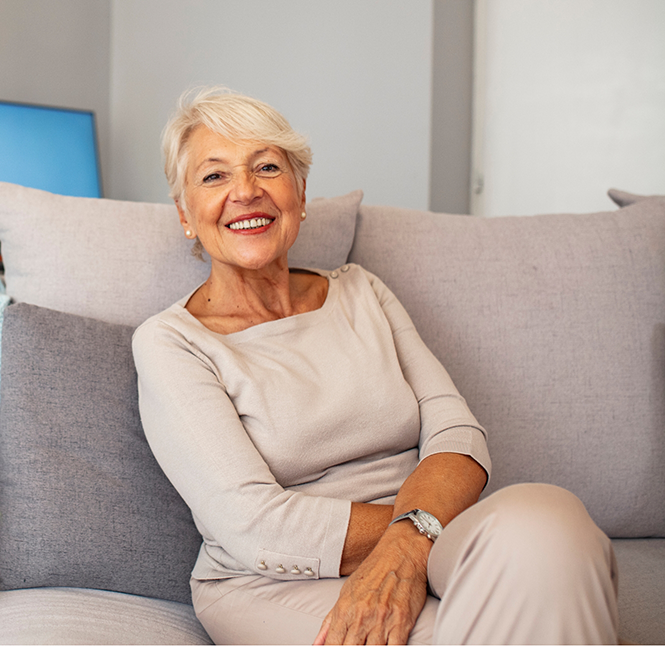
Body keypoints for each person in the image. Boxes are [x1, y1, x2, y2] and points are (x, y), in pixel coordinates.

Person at [132, 86, 619, 645]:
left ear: (300, 192)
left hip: (430, 533)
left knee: (549, 522)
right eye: (214, 176)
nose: (246, 191)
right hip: (272, 577)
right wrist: (413, 532)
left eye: (267, 167)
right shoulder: (172, 343)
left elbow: (455, 433)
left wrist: (411, 545)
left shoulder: (362, 291)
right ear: (185, 214)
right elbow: (251, 523)